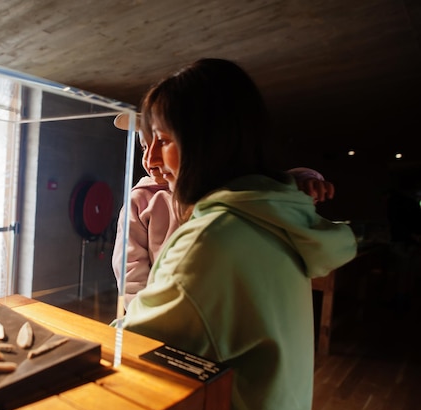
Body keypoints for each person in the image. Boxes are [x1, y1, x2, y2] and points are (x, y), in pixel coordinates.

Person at [118, 58, 357, 410]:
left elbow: (138, 344)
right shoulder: (274, 214)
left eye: (163, 140)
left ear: (207, 142)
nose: (151, 157)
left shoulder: (210, 239)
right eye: (147, 143)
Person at [112, 114, 336, 309]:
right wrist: (142, 314)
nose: (149, 159)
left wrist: (307, 180)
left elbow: (265, 186)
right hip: (162, 311)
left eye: (162, 142)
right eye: (143, 146)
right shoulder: (139, 200)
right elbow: (130, 268)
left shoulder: (216, 186)